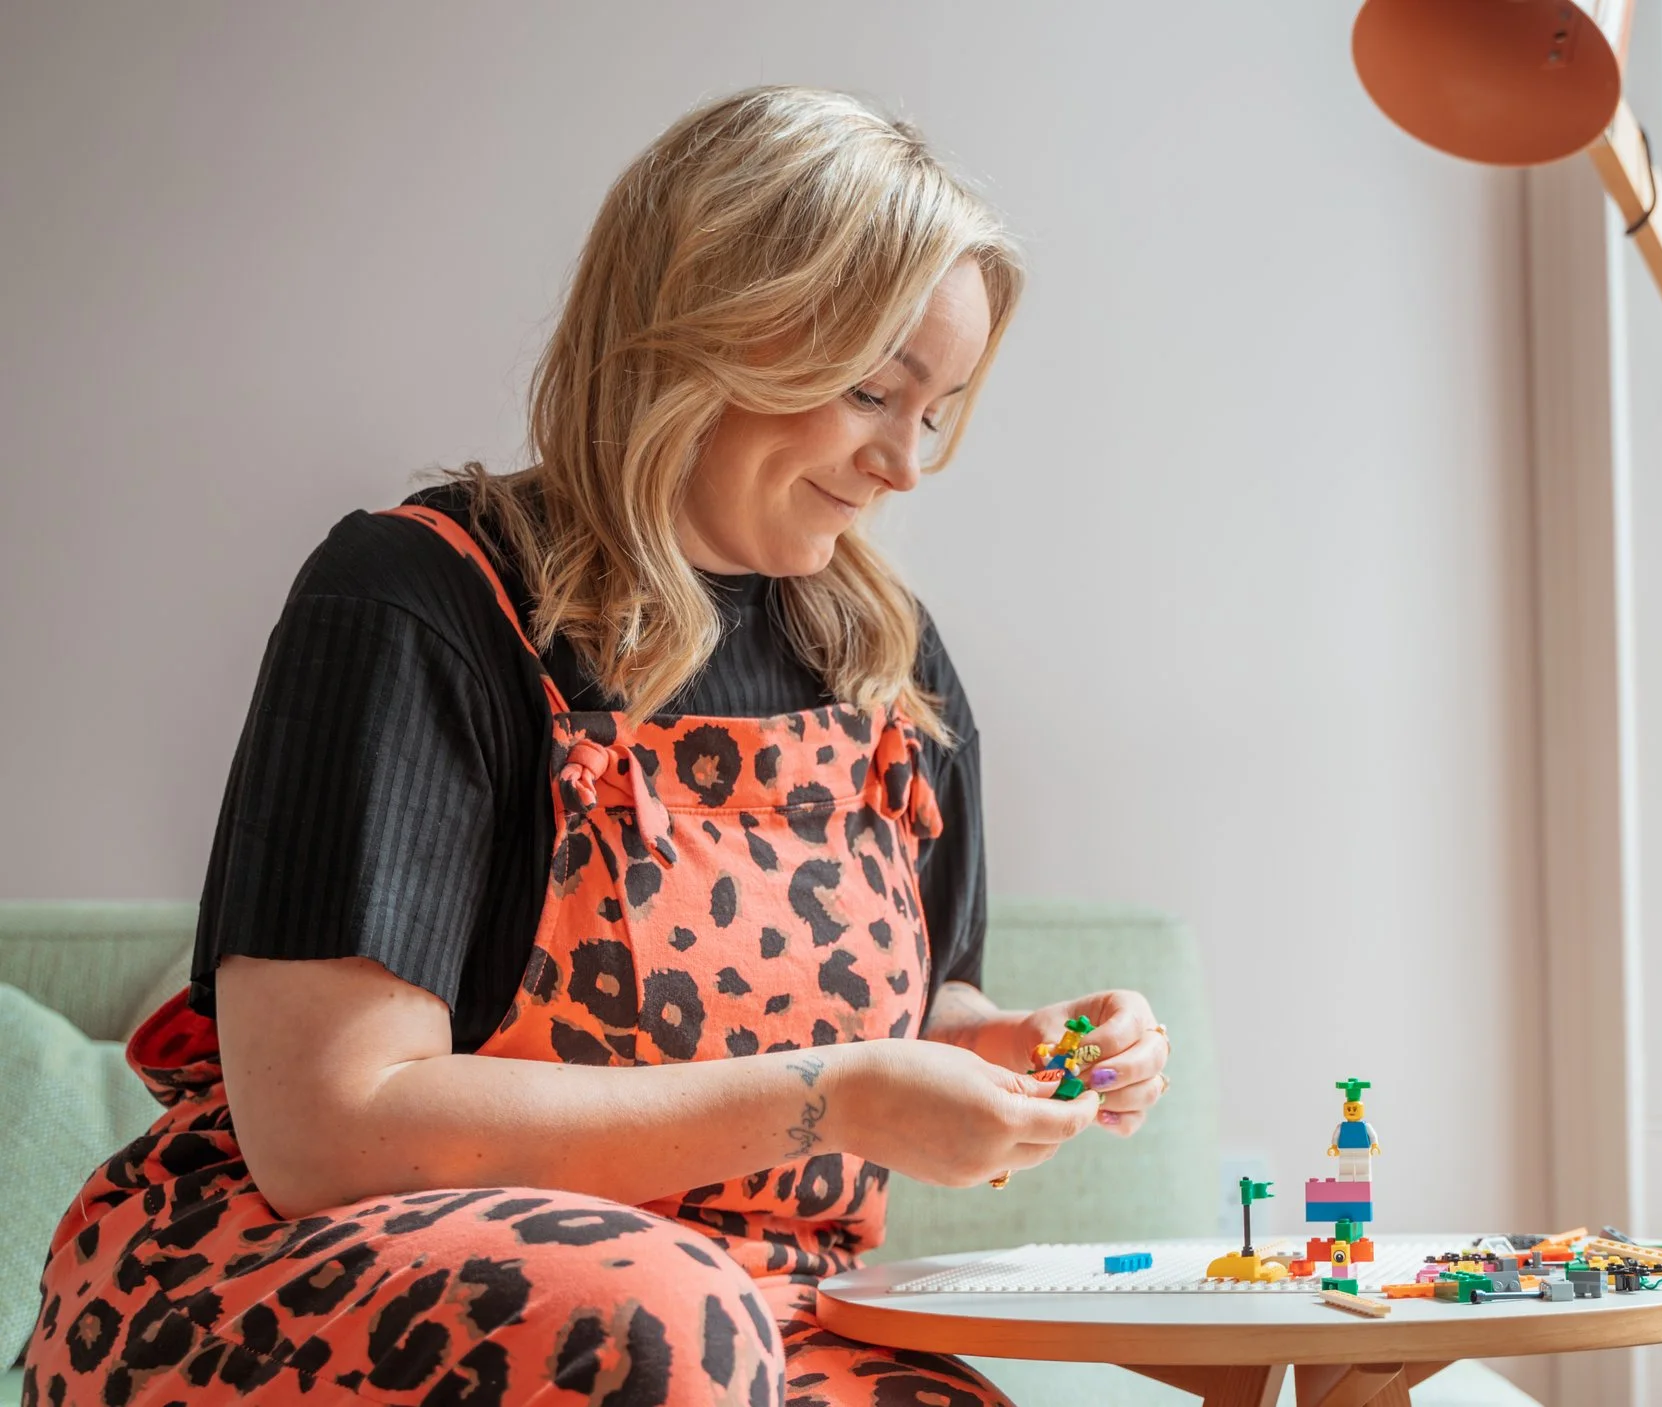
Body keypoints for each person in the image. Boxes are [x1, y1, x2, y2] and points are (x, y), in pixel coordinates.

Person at [23, 86, 1169, 1407]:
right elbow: (326, 1132)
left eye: (939, 408)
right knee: (658, 1328)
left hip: (760, 1306)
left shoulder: (886, 662)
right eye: (873, 390)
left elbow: (922, 1015)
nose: (906, 464)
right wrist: (835, 1097)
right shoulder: (418, 598)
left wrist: (1011, 1051)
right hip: (318, 1282)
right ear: (706, 332)